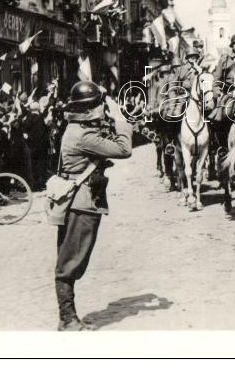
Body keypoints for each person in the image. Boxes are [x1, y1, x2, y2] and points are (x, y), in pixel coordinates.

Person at [54, 80, 132, 331]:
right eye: (99, 104)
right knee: (70, 262)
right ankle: (67, 319)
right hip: (82, 203)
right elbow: (124, 148)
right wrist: (121, 118)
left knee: (71, 259)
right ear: (90, 108)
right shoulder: (84, 135)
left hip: (78, 201)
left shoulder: (77, 127)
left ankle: (68, 317)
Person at [211, 33, 235, 121]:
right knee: (225, 114)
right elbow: (217, 79)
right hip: (228, 91)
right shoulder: (225, 59)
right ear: (232, 45)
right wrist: (217, 92)